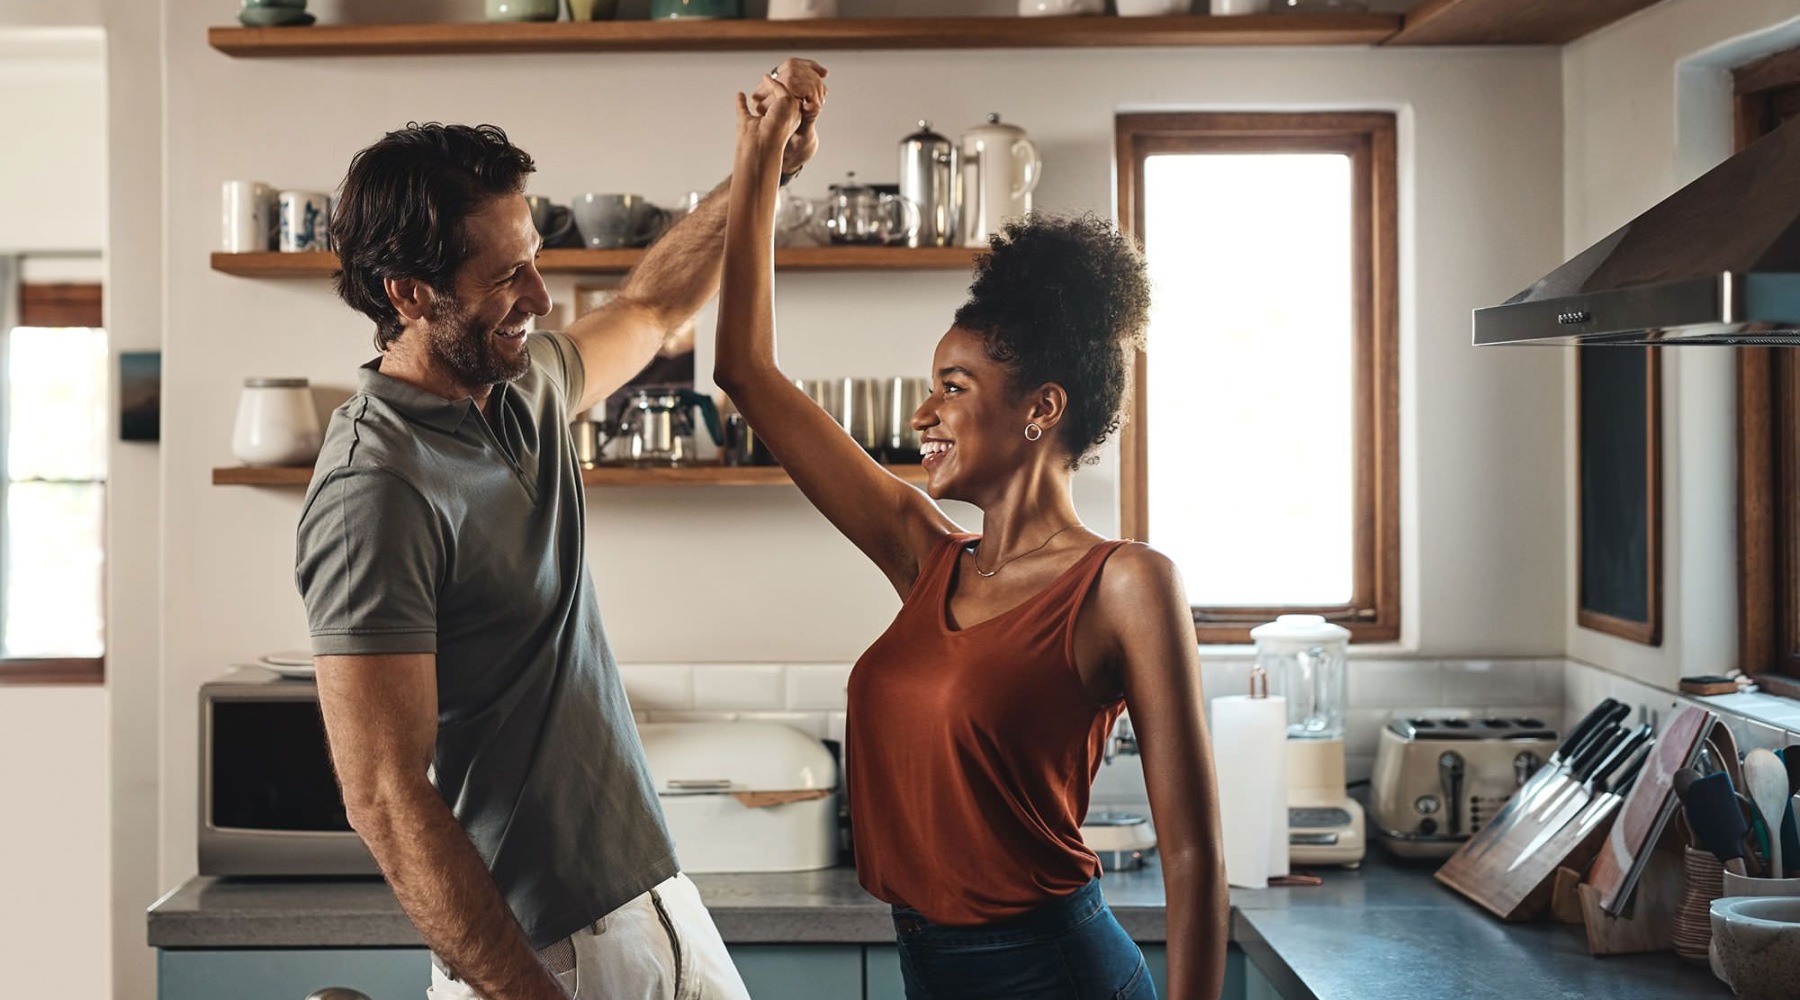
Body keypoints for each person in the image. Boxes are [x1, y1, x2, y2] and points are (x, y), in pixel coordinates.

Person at [293, 59, 829, 1000]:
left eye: (533, 257)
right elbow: (383, 793)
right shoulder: (373, 488)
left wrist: (762, 170)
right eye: (507, 276)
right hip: (547, 955)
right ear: (410, 293)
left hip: (656, 905)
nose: (541, 299)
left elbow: (651, 306)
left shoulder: (523, 386)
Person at [714, 88, 1229, 999]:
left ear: (1042, 408)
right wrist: (761, 162)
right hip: (932, 968)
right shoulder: (926, 554)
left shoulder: (1126, 585)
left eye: (953, 387)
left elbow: (1191, 852)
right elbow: (745, 373)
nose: (924, 414)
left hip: (1056, 973)